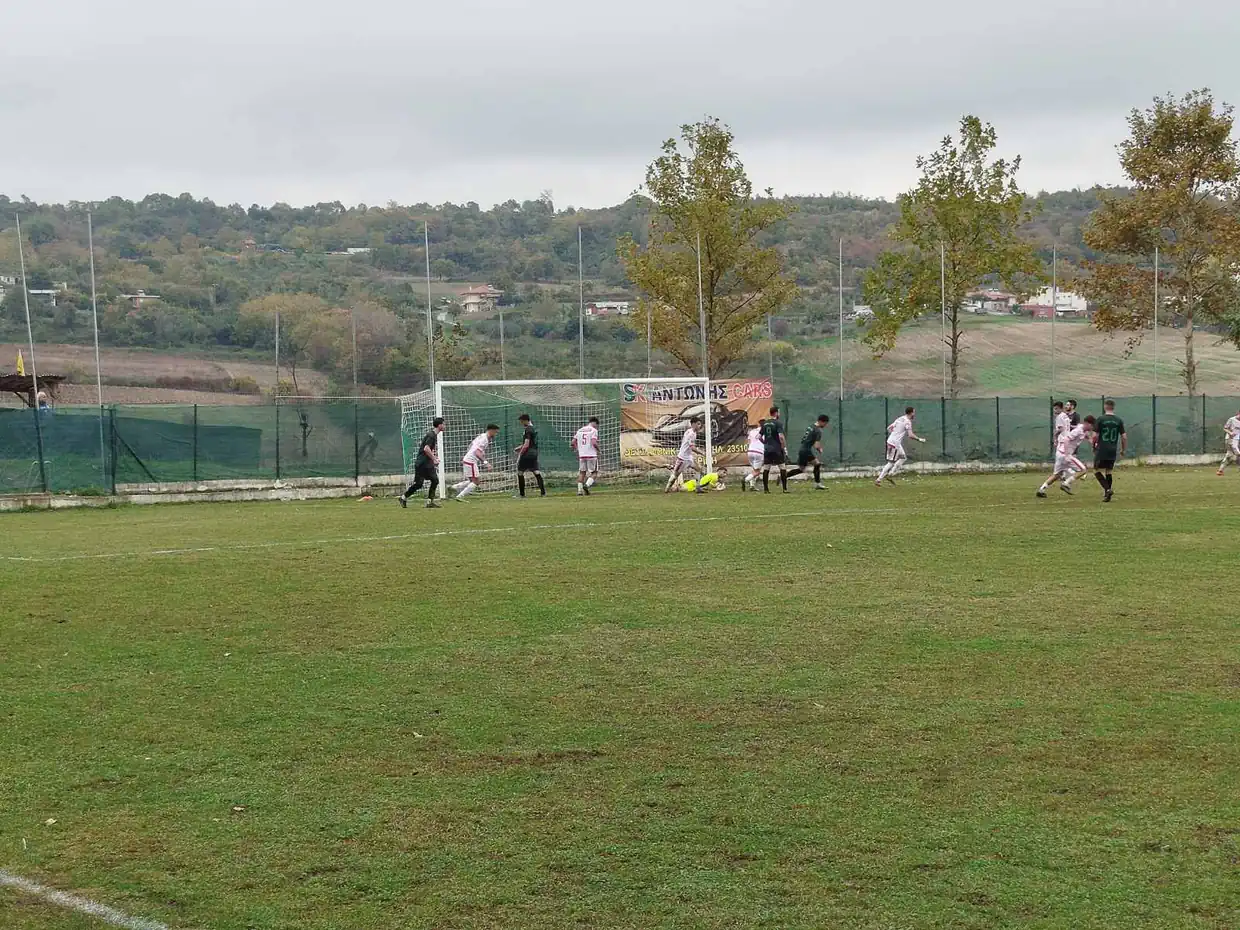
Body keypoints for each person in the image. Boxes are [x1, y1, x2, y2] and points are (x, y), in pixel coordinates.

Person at [1038, 415, 1094, 497]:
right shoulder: (1078, 430)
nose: (1092, 428)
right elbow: (1067, 439)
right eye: (1092, 425)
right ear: (1087, 424)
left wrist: (1092, 442)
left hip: (1060, 453)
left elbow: (1084, 434)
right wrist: (1067, 455)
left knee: (1057, 475)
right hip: (1065, 454)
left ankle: (1041, 490)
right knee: (1083, 470)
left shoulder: (1081, 428)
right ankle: (1066, 483)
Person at [399, 417, 445, 509]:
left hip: (424, 463)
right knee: (427, 482)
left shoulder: (433, 435)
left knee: (427, 482)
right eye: (444, 424)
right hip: (423, 463)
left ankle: (405, 498)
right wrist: (434, 459)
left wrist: (433, 457)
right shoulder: (431, 435)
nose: (445, 426)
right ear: (439, 425)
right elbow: (426, 449)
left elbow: (428, 449)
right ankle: (427, 502)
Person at [875, 407, 925, 486]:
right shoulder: (907, 422)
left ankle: (891, 474)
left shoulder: (900, 418)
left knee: (903, 458)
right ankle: (879, 479)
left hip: (891, 442)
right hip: (894, 444)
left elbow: (889, 428)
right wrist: (919, 439)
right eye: (914, 412)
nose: (914, 414)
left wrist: (894, 435)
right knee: (891, 463)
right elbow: (910, 435)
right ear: (911, 413)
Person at [451, 424, 499, 501]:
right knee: (476, 482)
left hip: (468, 460)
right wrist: (486, 463)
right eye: (495, 432)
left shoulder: (482, 436)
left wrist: (467, 455)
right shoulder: (484, 439)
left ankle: (453, 488)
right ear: (491, 430)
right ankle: (459, 497)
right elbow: (477, 452)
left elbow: (471, 445)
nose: (496, 434)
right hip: (471, 461)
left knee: (472, 481)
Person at [1093, 401, 1127, 503]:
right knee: (1108, 471)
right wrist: (1123, 449)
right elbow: (1124, 437)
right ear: (1113, 407)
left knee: (1096, 470)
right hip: (1112, 449)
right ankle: (1107, 495)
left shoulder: (1100, 419)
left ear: (1105, 407)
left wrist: (1093, 446)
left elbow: (1095, 436)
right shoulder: (1118, 420)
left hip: (1102, 448)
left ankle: (1107, 490)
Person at [786, 415, 829, 490]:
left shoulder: (811, 426)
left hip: (802, 449)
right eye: (825, 423)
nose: (825, 425)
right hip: (806, 450)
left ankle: (783, 476)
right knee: (817, 464)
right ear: (821, 421)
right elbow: (816, 445)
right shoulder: (818, 431)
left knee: (801, 469)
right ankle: (817, 484)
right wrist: (820, 449)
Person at [1038, 402, 1070, 494]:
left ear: (1061, 408)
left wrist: (1055, 437)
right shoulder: (1065, 416)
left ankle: (1069, 477)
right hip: (1066, 443)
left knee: (1059, 471)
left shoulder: (1059, 417)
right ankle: (1067, 479)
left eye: (1056, 409)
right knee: (1059, 472)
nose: (1055, 411)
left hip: (1062, 444)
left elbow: (1060, 429)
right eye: (1054, 409)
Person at [665, 417, 702, 493]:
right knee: (675, 475)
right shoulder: (691, 434)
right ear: (693, 424)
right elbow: (692, 448)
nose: (700, 426)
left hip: (689, 457)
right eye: (698, 424)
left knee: (698, 469)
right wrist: (702, 453)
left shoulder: (691, 432)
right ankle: (667, 488)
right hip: (682, 458)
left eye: (700, 424)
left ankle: (698, 488)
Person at [514, 413, 546, 498]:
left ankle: (522, 494)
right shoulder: (533, 429)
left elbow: (527, 444)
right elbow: (530, 443)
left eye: (521, 421)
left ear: (525, 420)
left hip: (527, 454)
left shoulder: (528, 429)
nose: (521, 423)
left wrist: (520, 453)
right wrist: (519, 447)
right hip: (534, 453)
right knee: (536, 471)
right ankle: (543, 493)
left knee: (520, 472)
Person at [759, 406, 788, 493]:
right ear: (776, 413)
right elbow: (781, 437)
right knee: (782, 467)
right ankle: (784, 489)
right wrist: (784, 447)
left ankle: (766, 489)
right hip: (777, 449)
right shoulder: (778, 423)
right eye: (779, 412)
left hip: (767, 449)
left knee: (766, 468)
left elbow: (759, 437)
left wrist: (765, 443)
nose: (779, 414)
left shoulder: (765, 423)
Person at [571, 416, 600, 496]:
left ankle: (579, 491)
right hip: (591, 455)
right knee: (594, 472)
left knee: (582, 473)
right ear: (595, 423)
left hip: (582, 455)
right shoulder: (594, 430)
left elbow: (572, 442)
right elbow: (594, 442)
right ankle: (586, 485)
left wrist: (577, 449)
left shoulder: (580, 430)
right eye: (597, 425)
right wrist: (599, 450)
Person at [743, 418, 765, 492]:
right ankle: (745, 480)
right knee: (757, 471)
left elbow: (748, 442)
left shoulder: (752, 431)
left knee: (754, 470)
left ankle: (752, 486)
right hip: (759, 452)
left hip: (750, 451)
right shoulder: (765, 432)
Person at [1218, 409, 1240, 476]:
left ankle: (1220, 470)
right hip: (1230, 439)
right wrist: (1230, 433)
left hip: (1236, 440)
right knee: (1238, 453)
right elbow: (1225, 428)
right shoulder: (1232, 419)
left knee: (1229, 455)